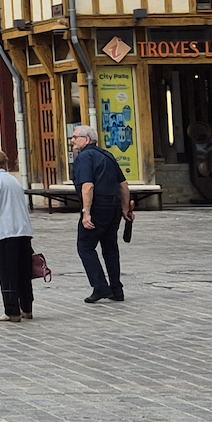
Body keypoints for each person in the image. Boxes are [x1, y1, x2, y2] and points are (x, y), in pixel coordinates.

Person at [68, 124, 128, 304]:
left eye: (75, 137)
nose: (72, 140)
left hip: (98, 205)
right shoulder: (107, 155)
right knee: (110, 247)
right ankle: (116, 289)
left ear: (86, 140)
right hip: (114, 205)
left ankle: (100, 286)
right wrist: (125, 209)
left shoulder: (84, 157)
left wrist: (86, 212)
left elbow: (87, 186)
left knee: (85, 246)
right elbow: (123, 185)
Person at [0, 148, 36, 322]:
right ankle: (27, 307)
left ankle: (12, 311)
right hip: (23, 231)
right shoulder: (13, 180)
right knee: (23, 272)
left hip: (6, 232)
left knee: (7, 272)